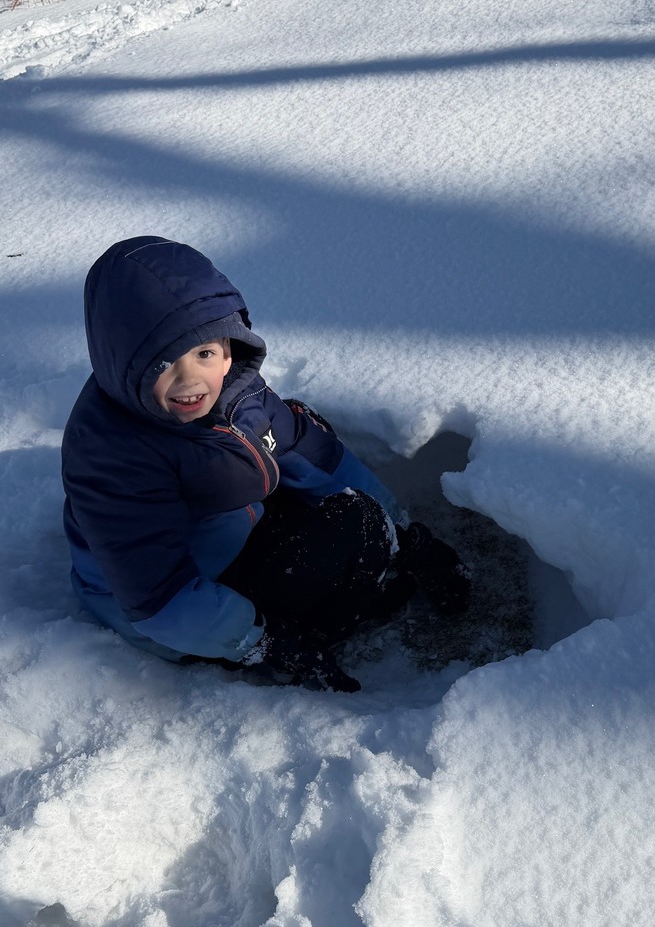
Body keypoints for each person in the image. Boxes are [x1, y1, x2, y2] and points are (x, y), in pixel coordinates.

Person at [61, 236, 468, 692]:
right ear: (126, 364)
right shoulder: (116, 460)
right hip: (168, 604)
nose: (191, 379)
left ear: (230, 344)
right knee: (353, 528)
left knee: (309, 434)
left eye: (205, 354)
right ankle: (308, 623)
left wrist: (411, 538)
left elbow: (312, 453)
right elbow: (160, 600)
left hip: (225, 526)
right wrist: (267, 642)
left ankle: (346, 577)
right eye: (164, 364)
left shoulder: (237, 392)